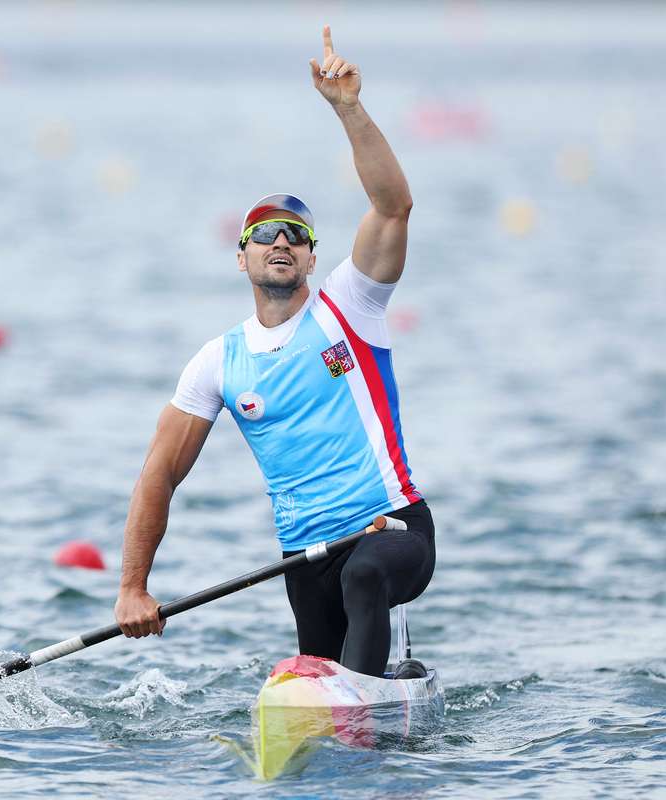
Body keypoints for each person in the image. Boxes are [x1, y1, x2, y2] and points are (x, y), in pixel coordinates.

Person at [114, 26, 435, 678]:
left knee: (367, 578)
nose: (280, 242)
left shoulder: (352, 306)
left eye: (296, 233)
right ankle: (355, 698)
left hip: (392, 532)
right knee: (321, 657)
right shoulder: (218, 363)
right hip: (305, 559)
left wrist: (347, 107)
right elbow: (158, 474)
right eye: (263, 233)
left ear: (314, 256)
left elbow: (394, 206)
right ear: (242, 257)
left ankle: (358, 707)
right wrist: (133, 588)